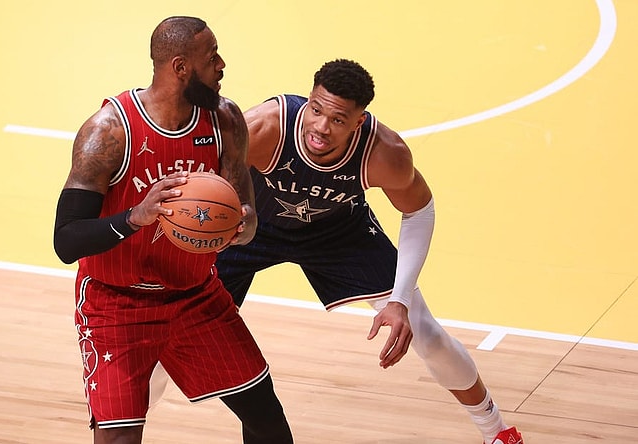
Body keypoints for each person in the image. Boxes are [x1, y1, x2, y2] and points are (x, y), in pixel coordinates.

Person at [214, 59, 524, 444]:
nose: (321, 127)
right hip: (257, 226)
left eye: (338, 119)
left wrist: (400, 299)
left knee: (426, 333)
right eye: (316, 110)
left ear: (359, 121)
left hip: (339, 231)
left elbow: (419, 210)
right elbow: (211, 177)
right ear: (308, 101)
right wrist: (225, 221)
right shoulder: (265, 127)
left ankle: (498, 432)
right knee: (175, 325)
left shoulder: (384, 153)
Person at [52, 16, 293, 444]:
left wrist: (244, 224)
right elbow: (66, 240)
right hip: (116, 306)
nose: (222, 64)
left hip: (196, 298)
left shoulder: (225, 120)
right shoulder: (109, 131)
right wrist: (135, 217)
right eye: (211, 56)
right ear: (180, 67)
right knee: (120, 441)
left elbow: (245, 208)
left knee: (266, 416)